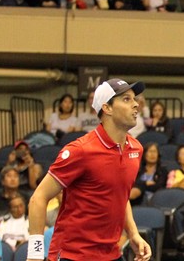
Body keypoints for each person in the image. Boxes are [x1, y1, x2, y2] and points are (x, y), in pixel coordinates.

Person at [27, 78, 151, 261]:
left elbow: (120, 194)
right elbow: (38, 198)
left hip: (111, 254)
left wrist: (133, 233)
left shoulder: (136, 149)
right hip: (73, 254)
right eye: (126, 99)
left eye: (134, 99)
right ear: (106, 108)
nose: (135, 105)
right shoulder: (80, 150)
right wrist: (35, 254)